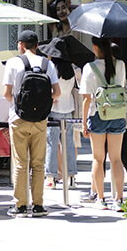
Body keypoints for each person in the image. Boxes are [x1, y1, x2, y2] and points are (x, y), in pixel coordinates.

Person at [3, 30, 60, 217]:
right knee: (38, 163)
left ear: (20, 44)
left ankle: (19, 205)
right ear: (37, 46)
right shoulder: (47, 63)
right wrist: (43, 105)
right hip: (40, 120)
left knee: (20, 163)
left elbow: (7, 93)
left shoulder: (13, 63)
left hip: (18, 119)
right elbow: (56, 92)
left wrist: (18, 106)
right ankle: (38, 205)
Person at [79, 37, 126, 212]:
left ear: (95, 47)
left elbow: (86, 99)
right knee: (116, 159)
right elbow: (121, 86)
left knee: (98, 159)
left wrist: (83, 123)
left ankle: (101, 199)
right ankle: (119, 200)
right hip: (117, 114)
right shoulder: (120, 65)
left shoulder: (89, 68)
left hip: (97, 114)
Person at [39, 39, 78, 190]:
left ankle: (51, 178)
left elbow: (50, 89)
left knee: (51, 144)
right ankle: (71, 177)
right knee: (68, 144)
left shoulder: (51, 68)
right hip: (68, 109)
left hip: (54, 109)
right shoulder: (72, 68)